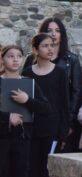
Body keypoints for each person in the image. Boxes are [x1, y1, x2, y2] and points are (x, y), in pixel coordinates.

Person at [24, 17, 82, 153]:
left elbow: (75, 92)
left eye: (57, 30)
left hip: (57, 118)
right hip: (33, 118)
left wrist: (67, 122)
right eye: (49, 30)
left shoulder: (71, 60)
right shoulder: (30, 59)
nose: (53, 34)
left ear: (62, 34)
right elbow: (25, 87)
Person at [22, 33, 69, 177]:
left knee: (46, 170)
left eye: (52, 45)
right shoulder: (27, 72)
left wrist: (63, 133)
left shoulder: (60, 72)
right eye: (45, 46)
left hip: (51, 128)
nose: (50, 49)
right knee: (30, 169)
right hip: (31, 128)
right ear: (35, 50)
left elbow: (64, 103)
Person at [0, 44, 50, 177]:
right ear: (2, 59)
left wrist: (27, 100)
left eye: (19, 56)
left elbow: (46, 108)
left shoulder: (29, 83)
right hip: (1, 138)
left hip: (22, 138)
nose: (15, 59)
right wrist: (8, 117)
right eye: (10, 56)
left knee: (21, 172)